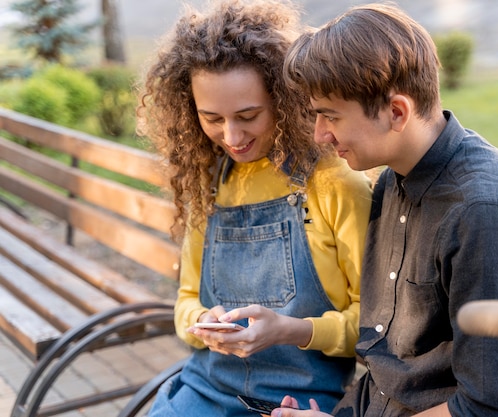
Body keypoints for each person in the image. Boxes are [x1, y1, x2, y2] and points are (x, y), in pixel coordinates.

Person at [276, 3, 498, 417]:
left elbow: (493, 408)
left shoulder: (486, 215)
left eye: (330, 117)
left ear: (396, 112)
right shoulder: (394, 181)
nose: (320, 135)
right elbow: (392, 369)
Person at [135, 0, 372, 416]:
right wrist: (204, 324)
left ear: (284, 100)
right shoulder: (210, 183)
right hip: (204, 387)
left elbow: (374, 326)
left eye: (248, 115)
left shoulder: (334, 185)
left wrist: (293, 331)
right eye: (212, 118)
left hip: (294, 402)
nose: (231, 135)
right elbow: (185, 301)